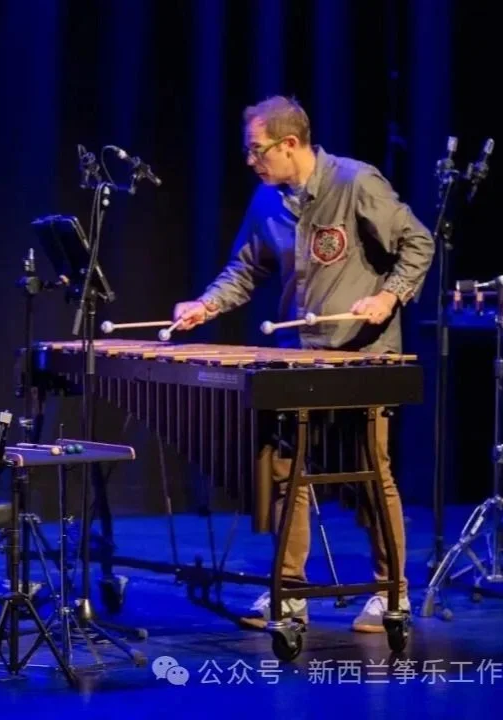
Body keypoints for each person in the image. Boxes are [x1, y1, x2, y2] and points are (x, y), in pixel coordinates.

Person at [171, 96, 435, 632]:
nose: (251, 161)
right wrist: (205, 304)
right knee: (287, 472)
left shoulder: (356, 183)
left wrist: (388, 298)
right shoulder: (268, 200)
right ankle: (289, 592)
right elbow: (245, 270)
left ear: (289, 145)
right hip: (300, 361)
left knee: (369, 474)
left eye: (257, 150)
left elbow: (418, 244)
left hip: (362, 358)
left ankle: (391, 593)